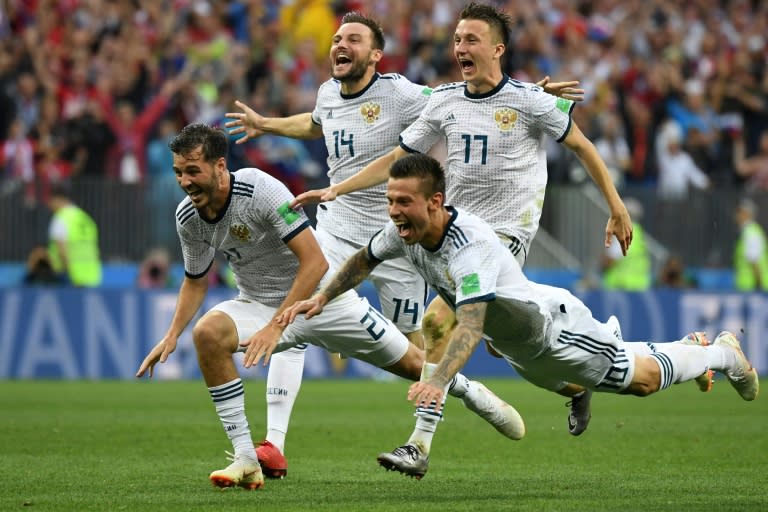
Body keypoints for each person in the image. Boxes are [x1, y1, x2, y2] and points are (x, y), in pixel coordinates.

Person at [224, 9, 583, 471]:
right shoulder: (327, 92)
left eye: (353, 39)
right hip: (336, 230)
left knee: (423, 348)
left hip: (399, 237)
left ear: (375, 54)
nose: (340, 44)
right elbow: (318, 123)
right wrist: (267, 124)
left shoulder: (401, 92)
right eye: (337, 37)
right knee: (296, 312)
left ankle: (480, 393)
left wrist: (529, 96)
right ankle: (273, 444)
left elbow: (472, 100)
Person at [280, 153, 759, 479]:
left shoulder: (470, 249)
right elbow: (365, 258)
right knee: (552, 375)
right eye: (390, 201)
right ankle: (586, 386)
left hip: (556, 329)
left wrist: (438, 378)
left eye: (403, 202)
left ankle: (720, 353)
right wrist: (322, 299)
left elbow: (468, 326)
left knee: (642, 381)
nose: (394, 212)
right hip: (518, 347)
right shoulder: (404, 231)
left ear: (435, 201)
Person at [290, 3, 632, 439]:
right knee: (511, 348)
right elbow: (399, 156)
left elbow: (582, 146)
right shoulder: (448, 100)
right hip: (458, 233)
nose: (460, 47)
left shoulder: (530, 101)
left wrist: (616, 206)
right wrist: (340, 187)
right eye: (456, 40)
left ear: (497, 48)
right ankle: (578, 387)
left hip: (506, 234)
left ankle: (419, 444)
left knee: (435, 323)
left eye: (471, 40)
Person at [135, 123, 525, 490]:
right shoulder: (188, 217)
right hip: (257, 305)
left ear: (220, 166)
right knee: (208, 333)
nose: (185, 182)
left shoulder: (261, 190)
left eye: (193, 171)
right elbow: (195, 279)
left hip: (324, 301)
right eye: (178, 173)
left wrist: (277, 326)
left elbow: (316, 262)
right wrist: (172, 335)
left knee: (413, 364)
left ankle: (470, 392)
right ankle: (245, 459)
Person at [46, 183, 102, 287]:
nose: (49, 204)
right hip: (92, 277)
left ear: (59, 199)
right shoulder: (86, 218)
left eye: (51, 200)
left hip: (70, 277)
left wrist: (69, 274)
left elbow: (62, 251)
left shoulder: (61, 219)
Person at [602, 197, 651, 291]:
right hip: (639, 288)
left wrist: (603, 264)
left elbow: (610, 260)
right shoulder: (639, 233)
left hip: (620, 288)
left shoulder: (623, 232)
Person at [733, 198, 768, 291]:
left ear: (747, 214)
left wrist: (759, 287)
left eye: (739, 212)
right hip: (749, 288)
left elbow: (754, 259)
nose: (736, 215)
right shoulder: (748, 231)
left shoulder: (751, 232)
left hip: (752, 288)